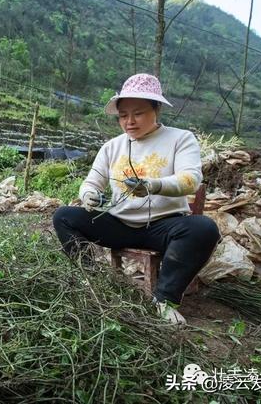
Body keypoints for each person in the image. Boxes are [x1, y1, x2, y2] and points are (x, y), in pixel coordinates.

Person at [52, 73, 220, 325]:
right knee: (64, 216)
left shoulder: (180, 138)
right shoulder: (112, 147)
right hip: (120, 224)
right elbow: (91, 181)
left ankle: (164, 301)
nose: (129, 122)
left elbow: (191, 179)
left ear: (157, 109)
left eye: (138, 113)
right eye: (123, 115)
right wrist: (88, 195)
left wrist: (153, 185)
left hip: (163, 225)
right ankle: (91, 282)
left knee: (204, 228)